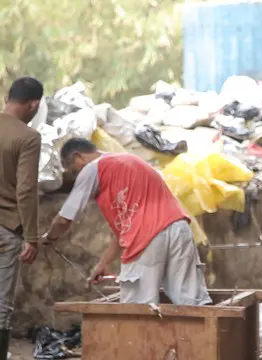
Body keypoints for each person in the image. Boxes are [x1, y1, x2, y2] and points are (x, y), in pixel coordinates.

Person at [44, 138, 212, 306]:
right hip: (179, 229)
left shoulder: (92, 168)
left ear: (79, 156)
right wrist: (103, 263)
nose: (76, 177)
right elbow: (123, 234)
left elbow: (64, 219)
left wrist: (48, 238)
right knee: (192, 302)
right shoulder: (131, 162)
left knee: (136, 309)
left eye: (74, 171)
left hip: (146, 239)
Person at [0, 77, 44, 360]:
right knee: (1, 304)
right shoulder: (27, 137)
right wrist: (31, 236)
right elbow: (26, 190)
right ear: (34, 104)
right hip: (5, 228)